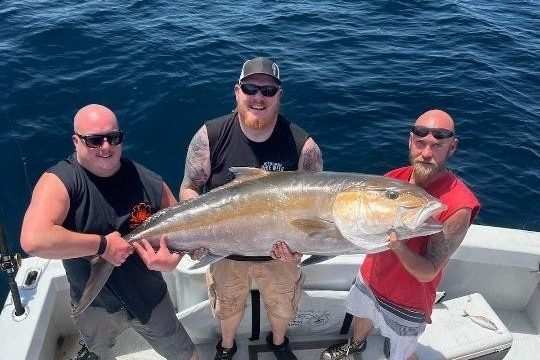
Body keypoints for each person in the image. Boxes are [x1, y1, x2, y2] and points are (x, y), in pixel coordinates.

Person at [20, 104, 199, 360]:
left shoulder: (149, 182)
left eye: (113, 138)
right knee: (100, 351)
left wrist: (174, 259)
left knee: (187, 355)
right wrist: (103, 246)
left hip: (151, 297)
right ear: (76, 141)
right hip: (95, 304)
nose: (106, 147)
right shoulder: (60, 181)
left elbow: (187, 226)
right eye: (94, 140)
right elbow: (34, 239)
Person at [180, 57, 323, 360]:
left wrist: (301, 250)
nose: (258, 97)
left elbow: (315, 211)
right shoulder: (211, 135)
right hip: (226, 251)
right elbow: (189, 187)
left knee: (283, 306)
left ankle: (279, 341)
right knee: (228, 307)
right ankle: (227, 345)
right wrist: (197, 232)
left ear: (279, 96)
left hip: (280, 257)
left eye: (268, 91)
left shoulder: (304, 147)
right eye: (250, 88)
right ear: (237, 92)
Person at [320, 109, 480, 360]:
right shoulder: (393, 180)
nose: (426, 154)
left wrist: (398, 246)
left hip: (409, 299)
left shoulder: (458, 206)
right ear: (410, 141)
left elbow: (429, 271)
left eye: (437, 146)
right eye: (420, 144)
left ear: (452, 147)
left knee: (402, 352)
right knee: (362, 316)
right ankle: (356, 344)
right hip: (371, 277)